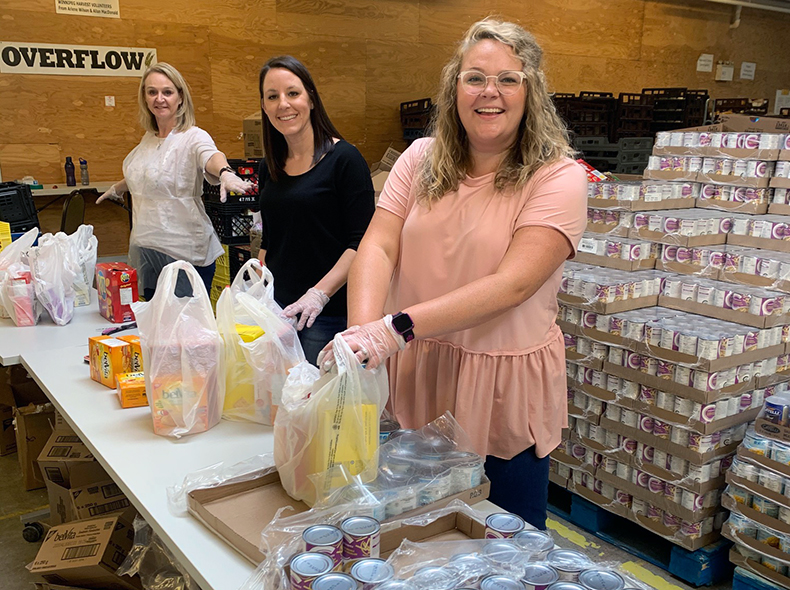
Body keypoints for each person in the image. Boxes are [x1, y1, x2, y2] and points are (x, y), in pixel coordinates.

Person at [323, 19, 587, 529]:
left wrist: (392, 328)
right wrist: (362, 334)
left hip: (495, 389)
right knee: (414, 532)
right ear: (454, 88)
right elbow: (377, 244)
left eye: (508, 79)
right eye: (475, 78)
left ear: (531, 91)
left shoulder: (558, 177)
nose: (490, 92)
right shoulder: (421, 160)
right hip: (415, 368)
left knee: (503, 540)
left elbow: (513, 284)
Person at [256, 55, 375, 365]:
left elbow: (362, 243)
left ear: (310, 98)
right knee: (284, 403)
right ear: (265, 107)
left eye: (292, 93)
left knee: (316, 405)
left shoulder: (345, 160)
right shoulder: (269, 167)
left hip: (325, 315)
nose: (283, 104)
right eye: (273, 96)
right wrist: (258, 281)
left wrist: (318, 295)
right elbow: (270, 239)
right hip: (279, 310)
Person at [97, 62, 251, 300]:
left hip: (184, 253)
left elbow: (210, 156)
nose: (160, 99)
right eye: (152, 92)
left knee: (183, 330)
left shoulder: (193, 136)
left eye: (167, 92)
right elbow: (151, 172)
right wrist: (118, 188)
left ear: (180, 97)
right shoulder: (149, 139)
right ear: (145, 98)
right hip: (146, 250)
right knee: (153, 325)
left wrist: (225, 172)